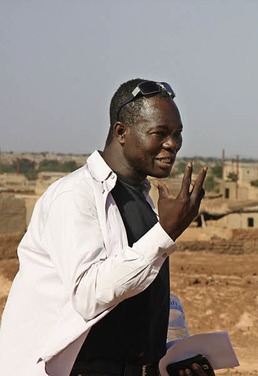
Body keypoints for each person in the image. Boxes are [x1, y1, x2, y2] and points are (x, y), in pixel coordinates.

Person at [0, 78, 209, 375]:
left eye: (177, 134)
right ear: (121, 132)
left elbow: (139, 298)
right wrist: (165, 234)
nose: (172, 144)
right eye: (160, 133)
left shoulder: (146, 200)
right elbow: (90, 294)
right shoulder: (76, 196)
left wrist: (172, 358)